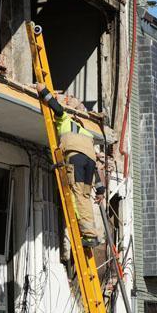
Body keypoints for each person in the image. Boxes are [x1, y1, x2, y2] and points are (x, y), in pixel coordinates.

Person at [35, 82, 101, 248]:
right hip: (89, 161)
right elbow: (96, 169)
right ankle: (90, 232)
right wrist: (100, 189)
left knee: (77, 195)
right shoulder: (86, 133)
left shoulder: (65, 119)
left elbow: (57, 108)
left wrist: (43, 91)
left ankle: (89, 235)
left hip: (76, 157)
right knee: (85, 196)